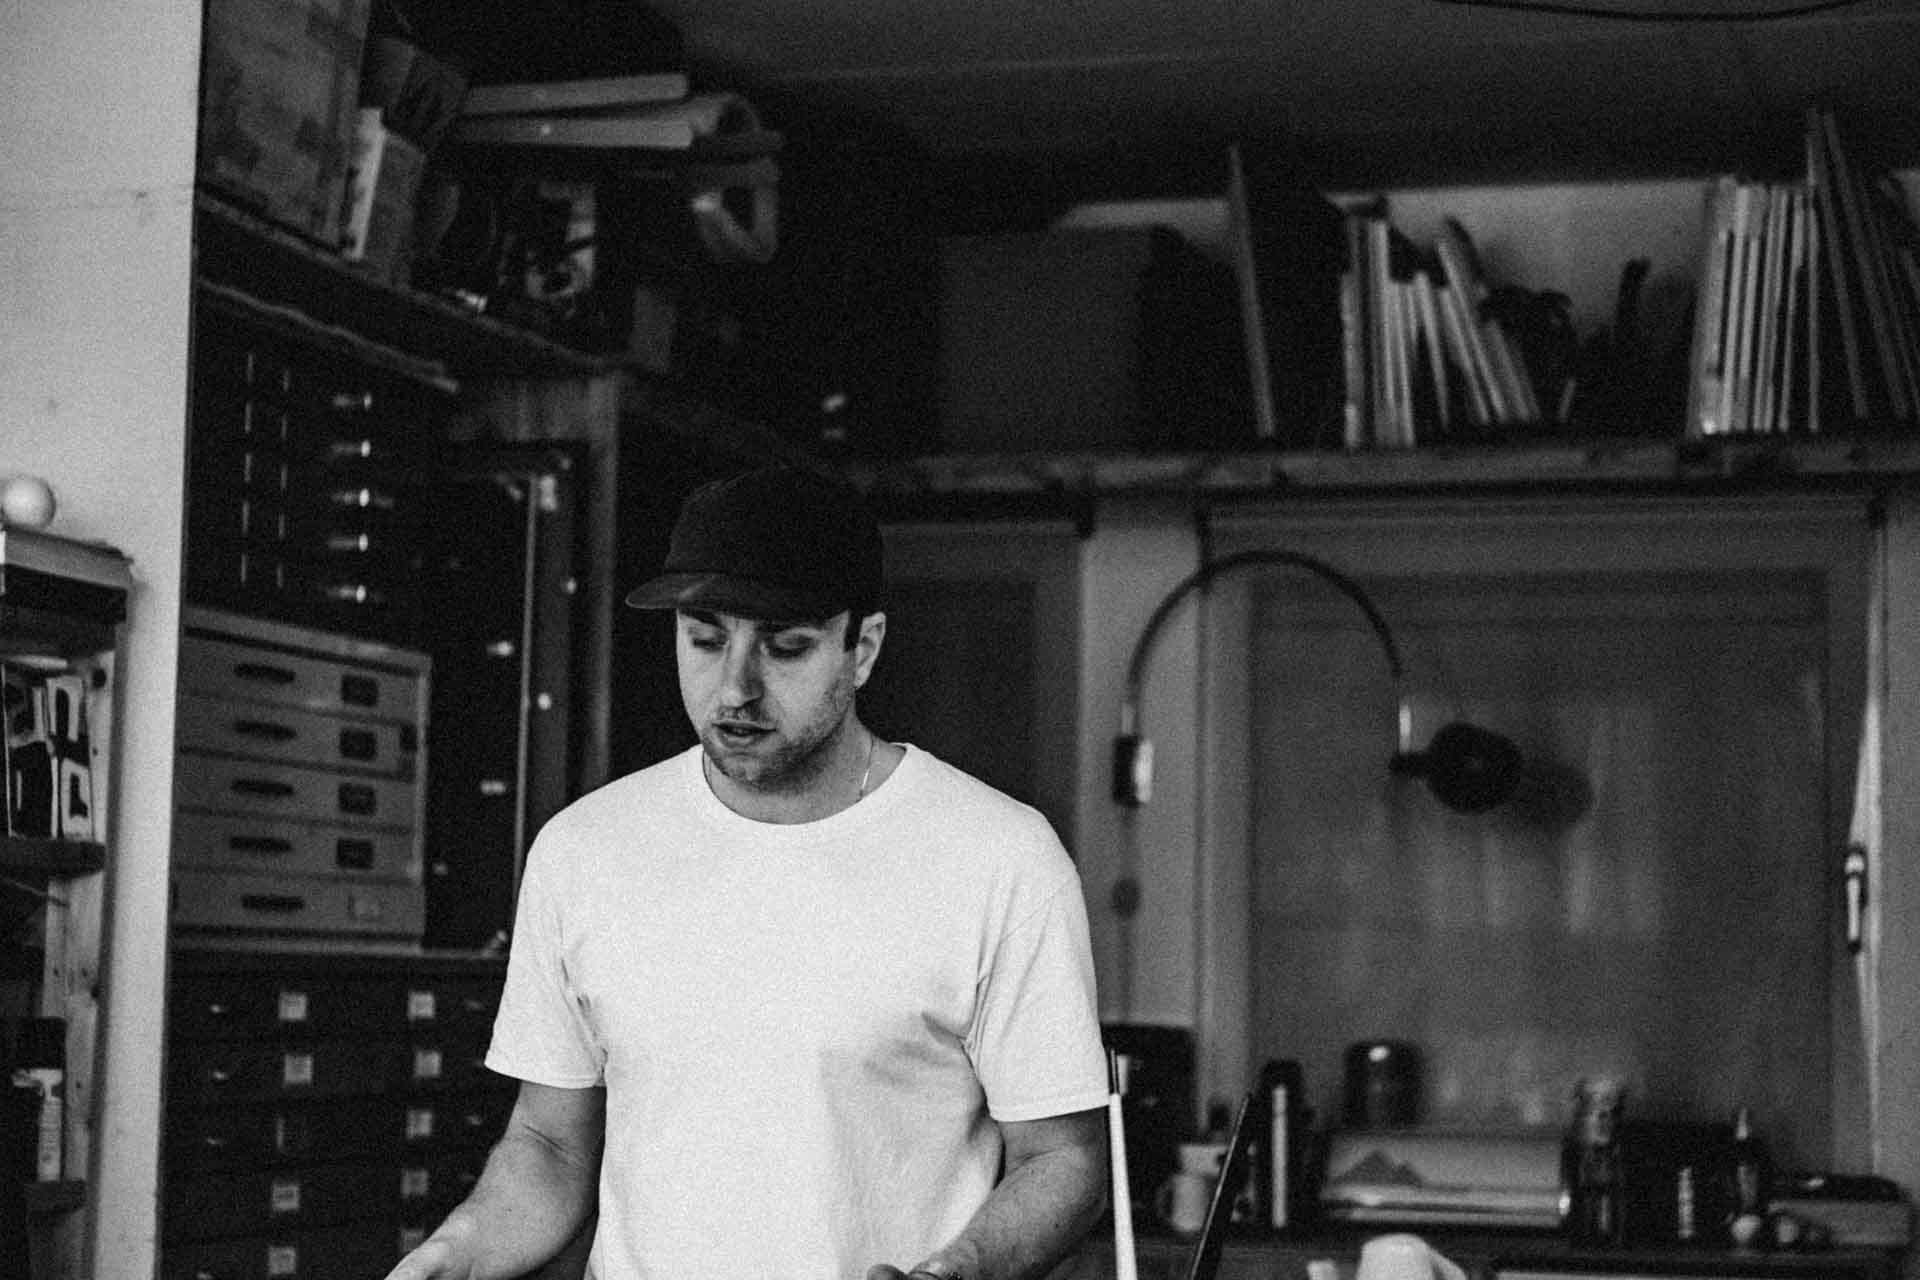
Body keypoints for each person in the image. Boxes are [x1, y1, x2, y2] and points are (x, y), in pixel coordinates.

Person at [385, 464, 1110, 1280]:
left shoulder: (1000, 858)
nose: (735, 687)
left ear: (863, 648)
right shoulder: (583, 852)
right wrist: (450, 1256)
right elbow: (550, 1146)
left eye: (785, 646)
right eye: (704, 639)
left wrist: (959, 1272)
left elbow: (1065, 1160)